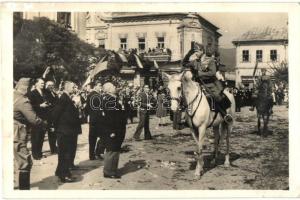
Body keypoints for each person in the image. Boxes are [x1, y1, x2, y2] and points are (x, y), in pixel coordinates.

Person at [182, 42, 233, 123]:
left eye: (197, 51)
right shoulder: (195, 62)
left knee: (216, 97)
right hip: (198, 84)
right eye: (194, 52)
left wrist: (199, 74)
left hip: (210, 84)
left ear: (202, 51)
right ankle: (187, 117)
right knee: (188, 95)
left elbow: (212, 72)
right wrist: (189, 53)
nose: (195, 54)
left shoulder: (210, 60)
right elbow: (184, 63)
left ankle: (225, 114)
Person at [14, 78, 46, 189]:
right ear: (26, 88)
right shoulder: (22, 101)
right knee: (25, 162)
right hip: (17, 132)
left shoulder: (10, 96)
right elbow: (33, 119)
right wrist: (44, 123)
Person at [51, 81, 82, 183]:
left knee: (64, 153)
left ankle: (59, 171)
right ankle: (64, 175)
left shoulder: (67, 97)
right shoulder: (63, 98)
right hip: (64, 131)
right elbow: (55, 114)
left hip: (67, 130)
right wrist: (56, 127)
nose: (75, 88)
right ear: (67, 87)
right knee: (65, 154)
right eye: (73, 87)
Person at [101, 82, 127, 179]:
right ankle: (109, 171)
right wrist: (111, 131)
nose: (115, 88)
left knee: (114, 149)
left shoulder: (111, 98)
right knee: (112, 150)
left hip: (116, 128)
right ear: (108, 89)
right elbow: (109, 117)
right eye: (113, 87)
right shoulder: (110, 99)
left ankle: (111, 170)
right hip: (113, 129)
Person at [28, 78, 49, 160]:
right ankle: (35, 155)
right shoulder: (32, 93)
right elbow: (30, 106)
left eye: (43, 83)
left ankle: (39, 153)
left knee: (41, 136)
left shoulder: (43, 93)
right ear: (36, 84)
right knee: (35, 137)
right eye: (41, 83)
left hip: (43, 117)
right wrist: (40, 106)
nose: (43, 85)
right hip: (35, 118)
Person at [85, 81, 105, 160]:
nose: (101, 86)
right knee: (102, 136)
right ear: (95, 86)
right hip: (98, 119)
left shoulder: (90, 95)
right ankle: (98, 152)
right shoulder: (96, 95)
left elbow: (87, 108)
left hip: (93, 119)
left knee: (92, 138)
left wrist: (88, 116)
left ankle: (92, 155)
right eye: (100, 85)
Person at [44, 81, 58, 154]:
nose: (51, 87)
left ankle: (54, 147)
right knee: (51, 133)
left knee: (55, 132)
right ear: (46, 86)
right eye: (49, 85)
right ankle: (53, 149)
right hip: (50, 115)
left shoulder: (54, 93)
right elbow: (49, 103)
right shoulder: (46, 93)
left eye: (52, 85)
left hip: (55, 115)